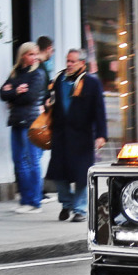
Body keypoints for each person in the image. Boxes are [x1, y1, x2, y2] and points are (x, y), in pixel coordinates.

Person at [46, 48, 108, 222]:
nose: (69, 65)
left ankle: (80, 209)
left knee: (82, 175)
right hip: (61, 134)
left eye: (72, 61)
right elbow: (50, 100)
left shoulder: (92, 83)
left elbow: (99, 110)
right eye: (67, 61)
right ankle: (66, 204)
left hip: (82, 136)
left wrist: (101, 135)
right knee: (59, 174)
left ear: (82, 63)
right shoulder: (59, 80)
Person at [0, 42, 48, 213]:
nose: (34, 58)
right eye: (31, 54)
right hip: (16, 121)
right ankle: (25, 200)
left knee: (32, 161)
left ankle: (35, 202)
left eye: (36, 54)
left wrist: (13, 95)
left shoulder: (38, 74)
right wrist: (15, 92)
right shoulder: (15, 73)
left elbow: (30, 97)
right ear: (23, 56)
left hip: (31, 122)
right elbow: (2, 93)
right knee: (19, 161)